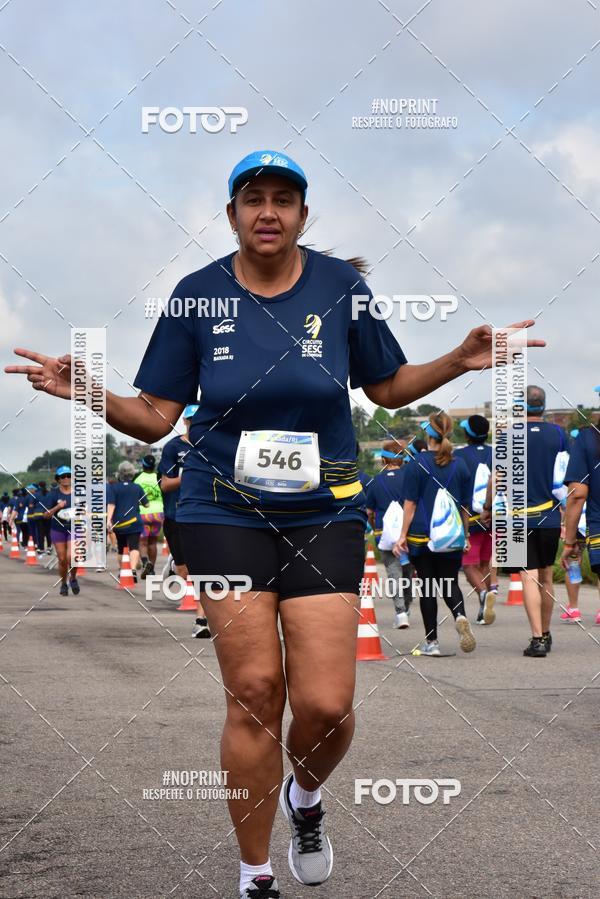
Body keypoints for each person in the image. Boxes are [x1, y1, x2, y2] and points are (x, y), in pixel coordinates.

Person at [5, 148, 544, 899]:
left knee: (326, 705)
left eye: (283, 199)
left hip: (323, 512)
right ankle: (255, 871)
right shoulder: (197, 298)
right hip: (222, 510)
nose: (268, 211)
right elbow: (157, 418)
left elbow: (386, 387)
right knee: (255, 689)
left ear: (301, 214)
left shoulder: (341, 288)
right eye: (252, 198)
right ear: (231, 215)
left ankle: (307, 798)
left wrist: (458, 358)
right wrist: (88, 392)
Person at [491, 386, 566, 658]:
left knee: (528, 576)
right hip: (550, 515)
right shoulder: (559, 434)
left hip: (518, 517)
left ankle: (536, 638)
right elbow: (565, 477)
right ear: (543, 406)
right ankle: (545, 633)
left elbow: (499, 480)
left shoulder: (508, 436)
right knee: (547, 576)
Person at [394, 412, 475, 656]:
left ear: (428, 434)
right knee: (449, 581)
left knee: (428, 586)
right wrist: (466, 535)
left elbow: (410, 504)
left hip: (422, 536)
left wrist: (401, 536)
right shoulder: (460, 464)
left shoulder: (417, 463)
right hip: (452, 536)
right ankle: (460, 614)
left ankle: (432, 642)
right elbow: (464, 507)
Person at [158, 404, 210, 637]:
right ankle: (174, 564)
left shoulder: (212, 445)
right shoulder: (173, 447)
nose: (195, 423)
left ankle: (202, 620)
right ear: (185, 422)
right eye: (191, 420)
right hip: (176, 516)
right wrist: (190, 474)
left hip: (206, 515)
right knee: (186, 572)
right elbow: (165, 484)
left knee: (206, 569)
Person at [561, 398, 600, 626]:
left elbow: (577, 494)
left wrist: (569, 540)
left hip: (595, 521)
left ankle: (573, 607)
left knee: (574, 564)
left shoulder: (587, 438)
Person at [366, 439, 413, 628]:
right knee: (408, 571)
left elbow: (369, 512)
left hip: (384, 534)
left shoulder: (375, 482)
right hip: (409, 533)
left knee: (394, 573)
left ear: (384, 461)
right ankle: (407, 606)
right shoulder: (410, 477)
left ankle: (400, 613)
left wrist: (373, 526)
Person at [455, 415, 496, 625]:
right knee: (484, 562)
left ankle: (482, 593)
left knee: (468, 564)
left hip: (470, 516)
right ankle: (486, 603)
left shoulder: (458, 455)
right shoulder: (497, 453)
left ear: (468, 433)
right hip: (495, 515)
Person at [107, 461, 148, 578]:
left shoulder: (113, 488)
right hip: (134, 522)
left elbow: (111, 505)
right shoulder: (137, 487)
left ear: (119, 474)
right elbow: (147, 505)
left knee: (121, 547)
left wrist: (108, 520)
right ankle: (133, 570)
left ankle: (122, 570)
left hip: (119, 523)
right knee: (134, 546)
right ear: (132, 474)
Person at [43, 466, 79, 596]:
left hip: (75, 529)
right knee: (62, 559)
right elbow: (45, 515)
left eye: (69, 476)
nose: (66, 479)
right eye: (63, 476)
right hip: (58, 529)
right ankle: (64, 583)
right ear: (58, 479)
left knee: (72, 557)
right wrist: (57, 507)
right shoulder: (53, 494)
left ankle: (73, 578)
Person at [134, 454, 164, 579]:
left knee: (142, 542)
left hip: (143, 513)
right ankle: (151, 570)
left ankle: (145, 562)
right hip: (158, 513)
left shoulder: (138, 478)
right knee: (153, 542)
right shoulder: (159, 477)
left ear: (143, 465)